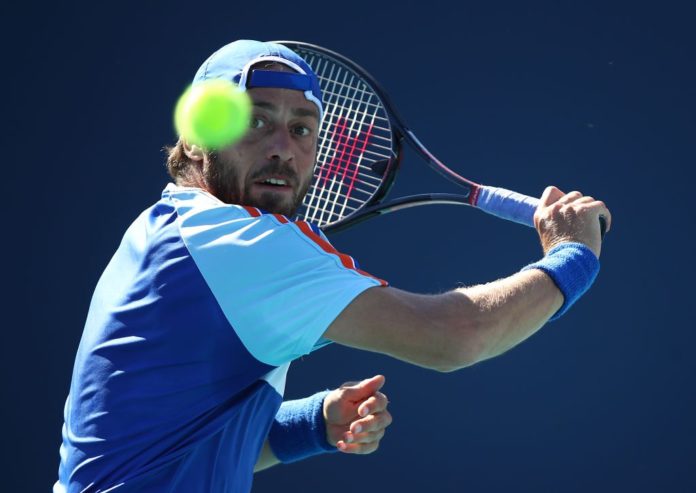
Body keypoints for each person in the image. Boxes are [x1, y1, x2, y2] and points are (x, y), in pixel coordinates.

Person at [55, 39, 611, 493]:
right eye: (256, 122)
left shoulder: (168, 228)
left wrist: (313, 425)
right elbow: (455, 336)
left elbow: (177, 449)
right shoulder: (239, 243)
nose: (283, 148)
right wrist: (572, 256)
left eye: (301, 129)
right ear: (199, 141)